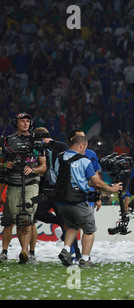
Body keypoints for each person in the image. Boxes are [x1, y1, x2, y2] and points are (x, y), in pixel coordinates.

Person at [55, 135, 122, 267]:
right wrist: (111, 189)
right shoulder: (84, 161)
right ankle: (85, 259)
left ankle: (66, 249)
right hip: (78, 201)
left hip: (61, 201)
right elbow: (96, 182)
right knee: (89, 230)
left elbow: (55, 177)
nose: (85, 151)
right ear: (81, 145)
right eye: (85, 148)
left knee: (71, 226)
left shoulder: (59, 158)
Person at [0, 113, 47, 264]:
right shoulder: (8, 141)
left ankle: (24, 251)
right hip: (13, 184)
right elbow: (0, 164)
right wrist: (5, 165)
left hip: (31, 183)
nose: (26, 123)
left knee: (26, 218)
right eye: (23, 121)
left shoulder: (37, 142)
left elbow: (43, 166)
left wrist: (33, 170)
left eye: (28, 121)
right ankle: (6, 251)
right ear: (16, 123)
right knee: (10, 220)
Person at [29, 127, 79, 262]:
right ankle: (58, 221)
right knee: (38, 213)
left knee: (67, 224)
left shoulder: (61, 146)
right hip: (46, 189)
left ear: (42, 137)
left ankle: (75, 253)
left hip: (60, 190)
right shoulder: (37, 149)